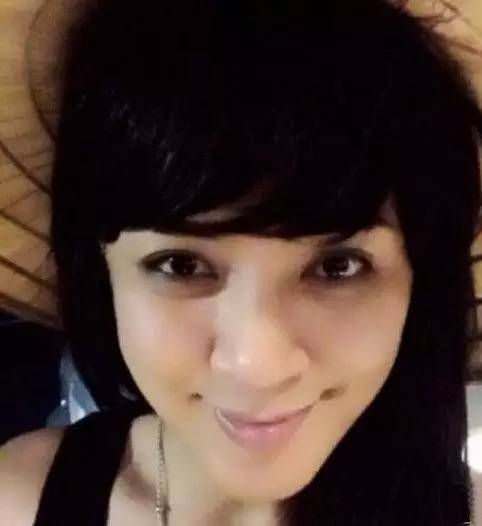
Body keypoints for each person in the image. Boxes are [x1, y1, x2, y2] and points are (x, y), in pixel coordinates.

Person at [0, 0, 481, 524]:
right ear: (102, 269)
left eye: (338, 266)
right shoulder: (18, 501)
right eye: (181, 265)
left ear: (419, 279)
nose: (256, 365)